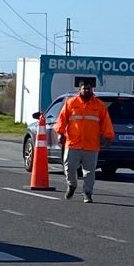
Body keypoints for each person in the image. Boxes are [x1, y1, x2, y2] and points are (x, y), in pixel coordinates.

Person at [55, 74, 117, 202]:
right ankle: (72, 185)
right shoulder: (71, 103)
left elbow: (106, 122)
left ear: (92, 89)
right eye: (84, 88)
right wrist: (60, 133)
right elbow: (62, 119)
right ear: (80, 89)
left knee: (89, 172)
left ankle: (87, 193)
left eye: (89, 88)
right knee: (69, 167)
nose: (87, 91)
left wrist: (108, 136)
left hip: (91, 144)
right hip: (73, 143)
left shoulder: (99, 105)